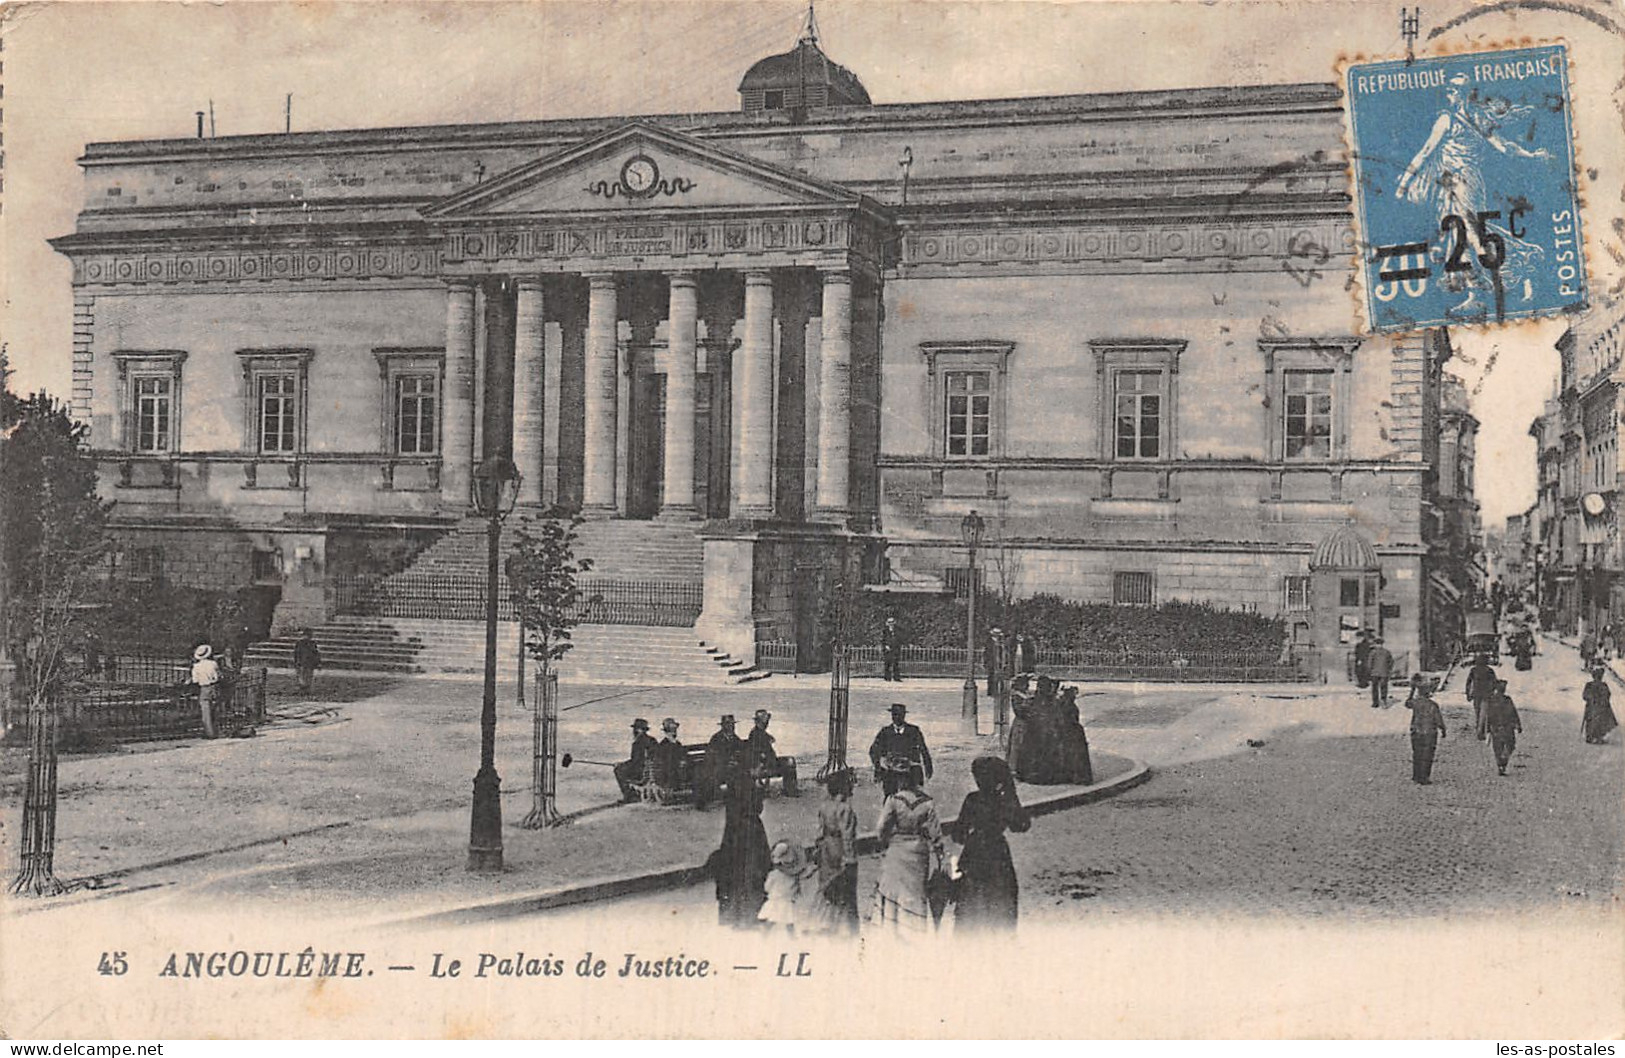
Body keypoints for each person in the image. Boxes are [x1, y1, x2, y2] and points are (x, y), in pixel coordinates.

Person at [1394, 73, 1550, 315]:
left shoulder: (1450, 120)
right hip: (1458, 183)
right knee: (1463, 236)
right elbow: (1504, 147)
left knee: (1472, 236)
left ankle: (1521, 268)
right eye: (1450, 90)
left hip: (1462, 182)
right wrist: (1531, 155)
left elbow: (1426, 152)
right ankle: (1476, 294)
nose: (1451, 93)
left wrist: (1404, 183)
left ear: (1463, 93)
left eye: (1454, 90)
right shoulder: (1473, 118)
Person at [952, 756, 1031, 930]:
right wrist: (1012, 797)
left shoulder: (972, 799)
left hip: (974, 851)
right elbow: (1021, 826)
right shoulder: (1005, 799)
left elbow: (958, 834)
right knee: (1001, 896)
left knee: (972, 900)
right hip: (997, 851)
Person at [872, 763, 945, 934]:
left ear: (902, 779)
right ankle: (914, 929)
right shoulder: (928, 803)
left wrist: (884, 843)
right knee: (916, 891)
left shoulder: (894, 801)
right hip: (919, 851)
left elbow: (881, 828)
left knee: (893, 889)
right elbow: (936, 833)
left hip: (897, 849)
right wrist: (939, 853)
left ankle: (892, 926)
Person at [709, 772, 771, 928]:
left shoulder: (734, 792)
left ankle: (734, 916)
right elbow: (757, 807)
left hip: (733, 835)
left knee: (735, 874)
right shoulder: (749, 790)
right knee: (753, 873)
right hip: (751, 834)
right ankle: (751, 915)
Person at [811, 768, 860, 933]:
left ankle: (825, 921)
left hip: (826, 847)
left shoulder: (824, 806)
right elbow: (847, 836)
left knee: (827, 885)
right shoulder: (845, 809)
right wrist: (850, 858)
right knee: (844, 887)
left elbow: (819, 831)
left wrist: (818, 849)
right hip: (838, 847)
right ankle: (845, 925)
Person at [869, 702, 933, 797]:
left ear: (904, 716)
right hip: (891, 772)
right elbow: (873, 751)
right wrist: (878, 767)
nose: (897, 717)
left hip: (910, 771)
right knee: (889, 798)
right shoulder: (885, 732)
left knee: (912, 798)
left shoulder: (914, 731)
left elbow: (923, 749)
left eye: (899, 715)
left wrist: (928, 767)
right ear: (891, 716)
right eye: (894, 715)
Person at [759, 840, 814, 933]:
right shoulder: (794, 876)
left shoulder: (773, 874)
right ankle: (792, 939)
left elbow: (767, 887)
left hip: (776, 900)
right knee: (789, 923)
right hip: (786, 901)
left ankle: (764, 936)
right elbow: (797, 889)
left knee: (772, 920)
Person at [1404, 674, 1447, 785]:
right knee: (1428, 755)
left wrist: (1412, 690)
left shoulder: (1416, 703)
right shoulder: (1433, 705)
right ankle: (1424, 777)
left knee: (1417, 753)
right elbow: (1438, 719)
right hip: (1430, 733)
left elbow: (1407, 703)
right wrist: (1443, 729)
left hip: (1416, 731)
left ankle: (1416, 775)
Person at [696, 714, 744, 809]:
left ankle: (738, 798)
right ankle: (705, 801)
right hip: (718, 767)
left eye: (732, 724)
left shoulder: (735, 738)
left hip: (731, 766)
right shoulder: (716, 738)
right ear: (723, 726)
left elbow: (742, 751)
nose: (731, 726)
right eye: (728, 724)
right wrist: (727, 763)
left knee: (741, 772)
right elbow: (713, 756)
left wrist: (737, 761)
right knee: (716, 776)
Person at [746, 708, 798, 795]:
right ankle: (790, 790)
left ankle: (790, 788)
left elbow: (770, 739)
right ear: (759, 721)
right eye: (765, 720)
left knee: (790, 761)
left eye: (766, 720)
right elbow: (756, 752)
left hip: (769, 762)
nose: (767, 723)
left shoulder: (761, 732)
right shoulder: (755, 733)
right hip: (763, 764)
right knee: (789, 762)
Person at [1055, 685, 1094, 785]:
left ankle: (1072, 775)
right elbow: (1070, 719)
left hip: (1068, 730)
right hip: (1072, 731)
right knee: (1076, 754)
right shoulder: (1068, 705)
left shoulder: (1063, 703)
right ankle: (1078, 776)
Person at [613, 718, 658, 803]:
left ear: (638, 729)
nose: (633, 731)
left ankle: (630, 796)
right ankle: (633, 794)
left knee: (618, 770)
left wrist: (620, 764)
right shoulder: (652, 740)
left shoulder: (638, 742)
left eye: (634, 729)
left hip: (642, 772)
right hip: (652, 771)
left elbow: (635, 761)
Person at [1484, 679, 1522, 776]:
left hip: (1500, 727)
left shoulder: (1496, 700)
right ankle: (1502, 763)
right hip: (1503, 727)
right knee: (1506, 746)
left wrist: (1487, 728)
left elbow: (1487, 716)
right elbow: (1513, 712)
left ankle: (1501, 764)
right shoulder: (1502, 700)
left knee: (1501, 747)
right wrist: (1518, 724)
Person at [190, 643, 222, 739]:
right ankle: (216, 730)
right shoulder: (213, 664)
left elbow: (195, 680)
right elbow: (218, 675)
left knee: (206, 711)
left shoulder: (196, 667)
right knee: (215, 709)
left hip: (204, 688)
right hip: (214, 686)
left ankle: (209, 733)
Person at [1465, 653, 1498, 741]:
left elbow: (1468, 683)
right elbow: (1495, 683)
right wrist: (1493, 691)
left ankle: (1479, 730)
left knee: (1478, 712)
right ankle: (1481, 730)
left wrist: (1468, 693)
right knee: (1483, 713)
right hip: (1486, 694)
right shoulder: (1489, 670)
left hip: (1477, 695)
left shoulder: (1474, 670)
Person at [1582, 667, 1618, 744]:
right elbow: (1585, 695)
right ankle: (1593, 736)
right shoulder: (1596, 685)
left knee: (1596, 721)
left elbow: (1607, 695)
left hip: (1597, 707)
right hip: (1595, 707)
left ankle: (1594, 736)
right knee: (1595, 721)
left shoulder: (1591, 685)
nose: (1598, 679)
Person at [651, 717, 686, 793]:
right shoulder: (663, 746)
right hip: (668, 774)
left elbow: (682, 755)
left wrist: (682, 761)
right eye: (671, 731)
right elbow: (662, 763)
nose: (674, 732)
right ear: (666, 732)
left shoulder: (677, 744)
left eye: (675, 730)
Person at [1366, 636, 1393, 708]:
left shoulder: (1373, 652)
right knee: (1383, 687)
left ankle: (1375, 703)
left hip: (1374, 673)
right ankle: (1383, 701)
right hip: (1384, 672)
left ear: (1375, 644)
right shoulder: (1387, 652)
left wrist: (1369, 671)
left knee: (1375, 688)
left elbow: (1369, 663)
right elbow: (1391, 662)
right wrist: (1389, 670)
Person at [292, 631, 321, 695]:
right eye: (304, 636)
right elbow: (296, 653)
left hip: (310, 662)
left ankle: (307, 688)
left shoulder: (312, 644)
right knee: (301, 675)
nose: (306, 637)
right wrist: (297, 661)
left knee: (308, 675)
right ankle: (302, 687)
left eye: (308, 636)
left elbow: (316, 653)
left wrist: (318, 662)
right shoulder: (299, 643)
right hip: (301, 662)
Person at [881, 616, 904, 682]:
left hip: (895, 648)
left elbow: (900, 639)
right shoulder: (885, 631)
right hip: (887, 649)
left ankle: (896, 677)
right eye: (889, 622)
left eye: (892, 622)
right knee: (887, 663)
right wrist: (885, 646)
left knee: (896, 663)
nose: (891, 624)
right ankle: (887, 677)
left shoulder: (897, 630)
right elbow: (882, 639)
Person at [985, 627, 1007, 698]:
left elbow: (1003, 652)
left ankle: (1000, 691)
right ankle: (991, 691)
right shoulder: (989, 642)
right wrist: (986, 662)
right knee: (991, 676)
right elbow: (986, 653)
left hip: (999, 661)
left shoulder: (1001, 642)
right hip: (992, 661)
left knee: (1000, 676)